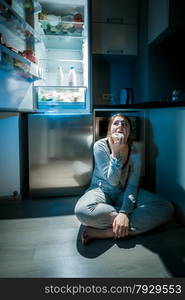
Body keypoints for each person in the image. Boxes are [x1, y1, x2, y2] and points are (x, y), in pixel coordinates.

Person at [75, 114, 174, 244]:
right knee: (82, 211)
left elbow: (132, 186)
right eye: (116, 123)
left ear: (129, 132)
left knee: (166, 208)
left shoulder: (135, 153)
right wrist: (115, 153)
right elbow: (112, 181)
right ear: (110, 130)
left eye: (125, 124)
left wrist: (124, 212)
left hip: (124, 193)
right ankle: (127, 224)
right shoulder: (100, 146)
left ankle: (107, 232)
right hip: (101, 190)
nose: (121, 126)